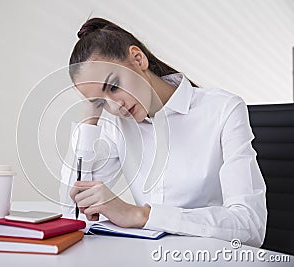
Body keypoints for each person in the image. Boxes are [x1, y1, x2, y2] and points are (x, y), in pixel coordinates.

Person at [59, 17, 267, 247]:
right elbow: (72, 212)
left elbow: (250, 226)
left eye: (114, 86)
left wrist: (142, 216)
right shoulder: (118, 125)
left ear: (138, 58)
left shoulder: (222, 109)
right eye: (100, 101)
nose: (115, 106)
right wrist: (89, 122)